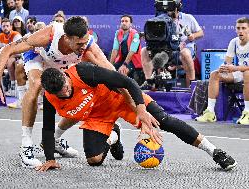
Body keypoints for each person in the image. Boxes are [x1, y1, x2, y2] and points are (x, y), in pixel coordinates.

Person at [36, 62, 237, 172]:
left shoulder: (83, 72)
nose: (66, 92)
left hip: (123, 100)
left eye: (67, 87)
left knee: (164, 121)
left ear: (65, 76)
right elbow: (47, 128)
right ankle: (113, 136)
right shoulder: (50, 97)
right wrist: (50, 159)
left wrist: (140, 109)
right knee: (94, 160)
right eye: (62, 93)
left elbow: (127, 81)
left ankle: (214, 152)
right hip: (98, 115)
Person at [0, 16, 122, 169]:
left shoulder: (88, 46)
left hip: (61, 64)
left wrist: (138, 106)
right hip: (38, 56)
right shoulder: (48, 35)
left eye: (85, 42)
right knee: (37, 84)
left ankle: (54, 139)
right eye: (79, 44)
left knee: (77, 96)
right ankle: (26, 146)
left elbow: (114, 75)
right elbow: (7, 49)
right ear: (67, 38)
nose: (83, 46)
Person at [196, 17, 249, 125]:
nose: (240, 31)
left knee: (247, 74)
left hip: (246, 72)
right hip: (240, 72)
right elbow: (227, 62)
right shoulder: (234, 42)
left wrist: (236, 68)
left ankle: (247, 112)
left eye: (244, 28)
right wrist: (223, 68)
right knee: (215, 74)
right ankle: (210, 113)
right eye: (238, 28)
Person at [141, 0, 204, 89]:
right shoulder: (160, 19)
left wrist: (193, 36)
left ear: (178, 7)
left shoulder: (188, 18)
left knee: (185, 53)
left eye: (171, 7)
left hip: (184, 48)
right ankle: (150, 83)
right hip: (166, 49)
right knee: (144, 51)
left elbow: (201, 33)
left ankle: (191, 85)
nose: (168, 10)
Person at [109, 14, 144, 85]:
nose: (124, 23)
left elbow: (132, 51)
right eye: (122, 21)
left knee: (122, 73)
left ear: (130, 24)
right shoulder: (118, 33)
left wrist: (124, 65)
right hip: (122, 59)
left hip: (133, 61)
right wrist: (109, 65)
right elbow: (115, 50)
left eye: (126, 21)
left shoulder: (135, 34)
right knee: (110, 72)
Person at [0, 18, 22, 96]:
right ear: (1, 27)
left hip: (18, 55)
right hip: (7, 56)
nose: (5, 28)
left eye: (7, 26)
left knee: (9, 61)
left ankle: (13, 85)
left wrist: (5, 56)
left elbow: (19, 50)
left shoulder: (16, 35)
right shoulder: (0, 36)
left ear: (11, 27)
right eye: (3, 26)